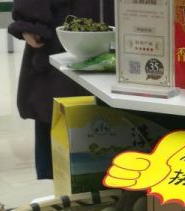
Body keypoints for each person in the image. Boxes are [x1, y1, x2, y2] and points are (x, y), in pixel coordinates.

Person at [8, 1, 114, 179]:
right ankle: (66, 185)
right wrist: (30, 21)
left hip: (126, 23)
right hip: (63, 29)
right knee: (61, 102)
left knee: (120, 112)